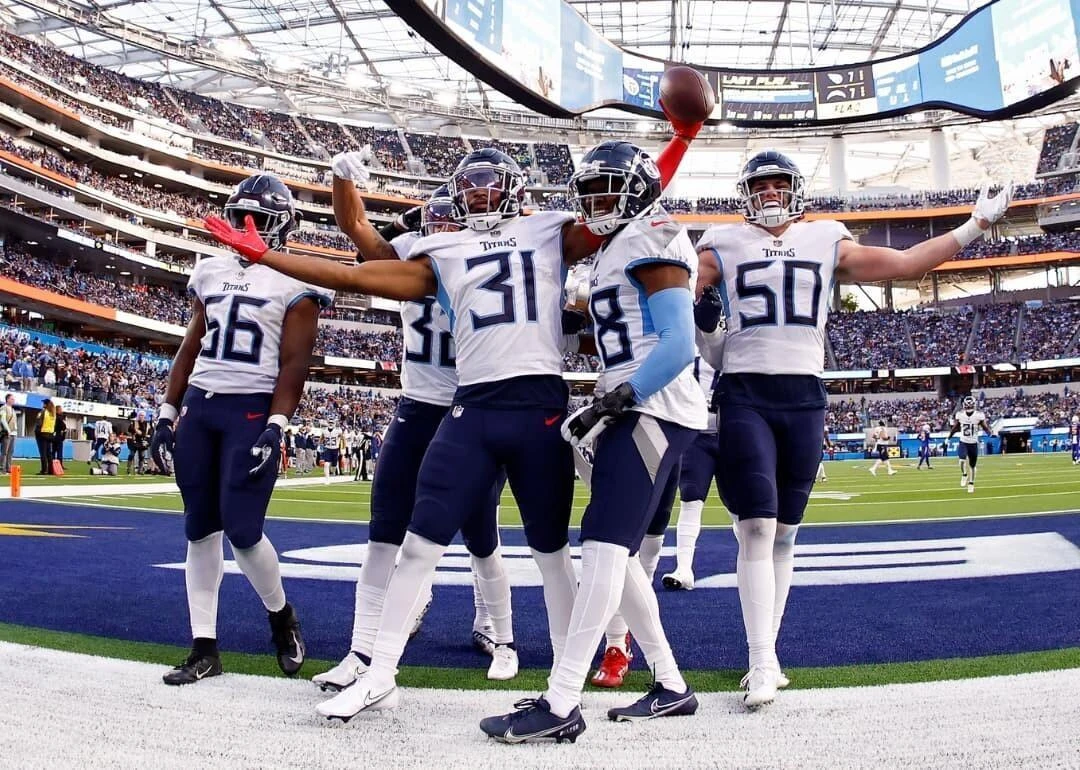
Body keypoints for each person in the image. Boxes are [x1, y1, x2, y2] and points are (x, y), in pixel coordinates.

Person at [203, 112, 700, 723]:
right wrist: (274, 259)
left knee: (552, 554)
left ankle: (562, 683)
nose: (482, 200)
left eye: (492, 190)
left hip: (540, 404)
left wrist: (681, 140)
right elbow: (357, 273)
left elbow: (629, 198)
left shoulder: (554, 228)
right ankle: (380, 670)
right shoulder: (444, 249)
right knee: (419, 542)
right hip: (472, 406)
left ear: (516, 194)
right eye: (472, 192)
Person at [693, 149, 1011, 708]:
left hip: (805, 394)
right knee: (758, 528)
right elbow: (679, 287)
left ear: (794, 189)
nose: (769, 193)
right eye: (759, 185)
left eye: (777, 184)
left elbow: (906, 265)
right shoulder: (721, 239)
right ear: (746, 193)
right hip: (744, 390)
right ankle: (761, 660)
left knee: (787, 532)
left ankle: (770, 650)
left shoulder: (826, 238)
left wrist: (976, 224)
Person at [480, 139, 706, 742]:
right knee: (619, 553)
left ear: (636, 191)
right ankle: (672, 685)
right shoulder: (614, 247)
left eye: (609, 188)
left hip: (652, 406)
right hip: (633, 402)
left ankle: (560, 704)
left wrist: (620, 400)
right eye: (589, 190)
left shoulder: (651, 234)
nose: (596, 201)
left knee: (602, 546)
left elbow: (679, 344)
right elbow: (619, 332)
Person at [307, 178, 519, 691]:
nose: (442, 230)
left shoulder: (478, 253)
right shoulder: (411, 252)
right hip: (417, 406)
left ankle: (500, 634)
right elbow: (355, 227)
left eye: (452, 222)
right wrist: (343, 177)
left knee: (482, 535)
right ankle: (362, 648)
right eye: (434, 223)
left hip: (470, 408)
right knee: (384, 532)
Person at [152, 173, 334, 686]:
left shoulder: (294, 279)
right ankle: (204, 648)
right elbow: (191, 346)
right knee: (199, 528)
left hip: (251, 408)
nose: (246, 226)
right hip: (202, 407)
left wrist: (277, 425)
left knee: (245, 531)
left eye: (259, 219)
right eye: (240, 216)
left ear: (283, 225)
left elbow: (295, 363)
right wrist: (168, 411)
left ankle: (281, 618)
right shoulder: (209, 270)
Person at [660, 356, 722, 595]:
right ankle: (684, 569)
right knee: (690, 500)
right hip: (695, 435)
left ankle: (756, 564)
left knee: (744, 512)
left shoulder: (737, 342)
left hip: (736, 432)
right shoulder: (686, 346)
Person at [947, 396, 993, 493]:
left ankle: (971, 483)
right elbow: (955, 428)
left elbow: (984, 427)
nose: (969, 406)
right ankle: (964, 474)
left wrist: (990, 433)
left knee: (972, 465)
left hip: (973, 443)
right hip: (963, 441)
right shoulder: (960, 415)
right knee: (962, 459)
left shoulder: (978, 416)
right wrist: (949, 437)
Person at [33, 398, 56, 475]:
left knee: (43, 453)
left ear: (45, 404)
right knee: (49, 453)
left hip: (42, 434)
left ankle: (44, 470)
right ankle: (50, 470)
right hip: (50, 434)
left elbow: (38, 423)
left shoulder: (43, 412)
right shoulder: (53, 413)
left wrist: (36, 431)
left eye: (43, 403)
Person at [0, 393, 17, 474]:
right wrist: (8, 430)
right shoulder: (3, 408)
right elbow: (2, 420)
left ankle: (8, 468)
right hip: (6, 433)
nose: (13, 400)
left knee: (10, 452)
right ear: (7, 399)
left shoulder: (13, 410)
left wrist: (15, 431)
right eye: (12, 399)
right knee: (5, 452)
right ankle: (2, 468)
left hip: (13, 433)